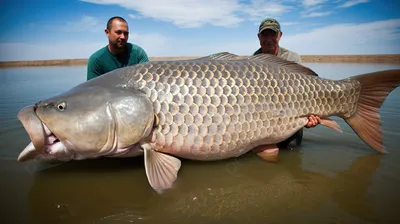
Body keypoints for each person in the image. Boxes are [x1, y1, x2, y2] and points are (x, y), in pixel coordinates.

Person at [254, 18, 321, 150]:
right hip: (265, 122)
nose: (268, 39)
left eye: (272, 34)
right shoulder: (252, 61)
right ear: (259, 37)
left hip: (291, 121)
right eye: (265, 35)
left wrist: (309, 117)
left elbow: (304, 93)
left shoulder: (291, 58)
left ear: (279, 36)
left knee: (291, 153)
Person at [87, 16, 149, 80]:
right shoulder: (96, 60)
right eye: (118, 32)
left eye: (126, 33)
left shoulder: (138, 53)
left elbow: (147, 80)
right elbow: (92, 89)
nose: (123, 37)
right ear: (107, 32)